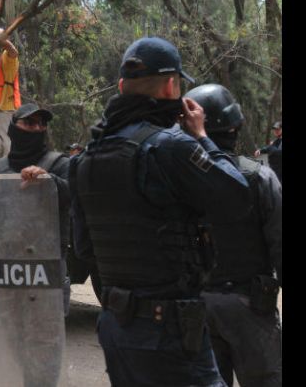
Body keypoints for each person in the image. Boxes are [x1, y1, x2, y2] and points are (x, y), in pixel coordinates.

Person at [70, 36, 251, 386]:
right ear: (171, 87)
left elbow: (84, 248)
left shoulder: (86, 160)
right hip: (168, 328)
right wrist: (202, 136)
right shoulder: (171, 147)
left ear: (121, 87)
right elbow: (237, 196)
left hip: (117, 327)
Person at [185, 84, 282, 387]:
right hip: (250, 306)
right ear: (235, 127)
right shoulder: (260, 177)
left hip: (195, 306)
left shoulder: (180, 181)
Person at [0, 103, 72, 314]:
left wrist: (48, 180)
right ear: (13, 129)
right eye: (29, 123)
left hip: (45, 267)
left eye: (42, 124)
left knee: (45, 328)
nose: (37, 128)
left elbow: (74, 196)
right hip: (7, 266)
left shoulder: (59, 163)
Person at [0, 27, 21, 155]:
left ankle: (9, 164)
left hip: (7, 106)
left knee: (8, 139)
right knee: (3, 139)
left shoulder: (7, 57)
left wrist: (3, 41)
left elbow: (14, 52)